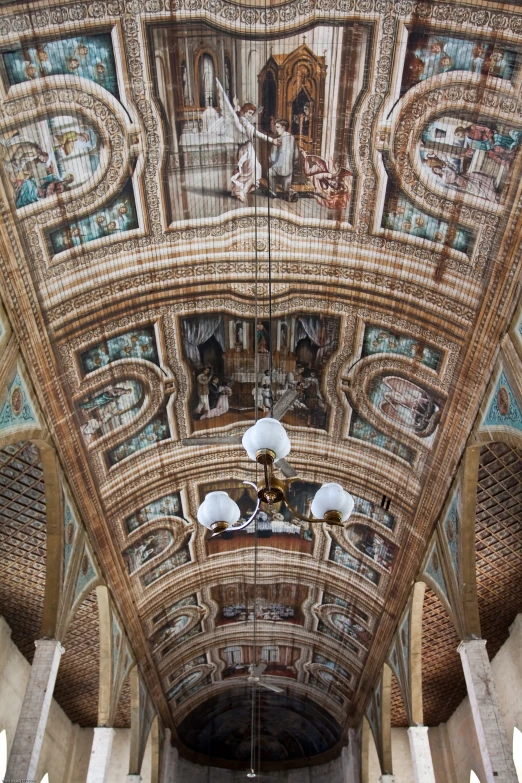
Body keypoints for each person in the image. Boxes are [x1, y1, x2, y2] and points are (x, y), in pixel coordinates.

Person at [216, 79, 279, 204]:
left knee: (253, 169)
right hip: (246, 149)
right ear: (244, 112)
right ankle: (239, 191)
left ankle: (242, 189)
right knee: (248, 171)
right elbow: (257, 134)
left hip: (246, 148)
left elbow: (250, 120)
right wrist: (273, 140)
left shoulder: (242, 119)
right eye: (249, 112)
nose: (251, 115)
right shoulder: (244, 122)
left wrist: (256, 111)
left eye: (252, 113)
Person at [268, 118, 299, 201]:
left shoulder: (278, 140)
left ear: (284, 127)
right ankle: (292, 192)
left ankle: (273, 192)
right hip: (289, 169)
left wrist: (271, 160)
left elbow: (272, 156)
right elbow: (296, 153)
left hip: (279, 168)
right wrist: (295, 162)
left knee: (270, 173)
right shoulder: (292, 138)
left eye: (278, 127)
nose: (276, 129)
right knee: (286, 186)